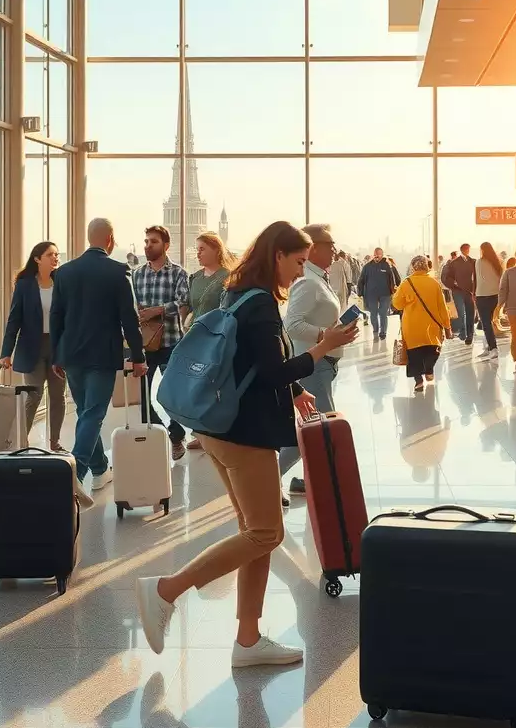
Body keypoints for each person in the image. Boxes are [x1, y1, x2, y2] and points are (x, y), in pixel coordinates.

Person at [135, 221, 358, 669]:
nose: (299, 272)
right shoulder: (260, 306)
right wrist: (323, 347)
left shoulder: (236, 292)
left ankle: (248, 639)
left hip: (217, 428)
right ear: (278, 255)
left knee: (257, 536)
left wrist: (297, 394)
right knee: (265, 533)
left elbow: (250, 363)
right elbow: (274, 369)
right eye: (297, 262)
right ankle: (166, 590)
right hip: (245, 435)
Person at [50, 218, 148, 491]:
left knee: (85, 412)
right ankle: (76, 473)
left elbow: (55, 317)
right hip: (102, 355)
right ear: (110, 239)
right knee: (93, 414)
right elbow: (129, 319)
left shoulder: (65, 272)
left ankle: (100, 470)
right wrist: (139, 357)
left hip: (71, 354)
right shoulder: (118, 271)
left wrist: (57, 355)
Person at [283, 223, 351, 497]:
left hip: (325, 362)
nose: (335, 250)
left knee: (315, 425)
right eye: (329, 245)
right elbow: (292, 324)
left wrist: (336, 333)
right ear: (312, 248)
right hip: (314, 363)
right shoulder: (308, 282)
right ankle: (274, 479)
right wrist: (326, 335)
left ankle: (312, 479)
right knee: (319, 426)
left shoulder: (319, 278)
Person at [0, 240, 67, 451]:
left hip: (57, 348)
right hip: (32, 348)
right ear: (37, 259)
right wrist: (6, 353)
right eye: (50, 255)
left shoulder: (61, 282)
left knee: (57, 397)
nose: (55, 258)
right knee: (34, 396)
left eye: (56, 254)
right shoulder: (25, 284)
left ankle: (55, 442)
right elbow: (14, 320)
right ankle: (20, 442)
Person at [132, 225, 191, 461]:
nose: (148, 245)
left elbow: (184, 302)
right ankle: (163, 436)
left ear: (166, 245)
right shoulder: (137, 274)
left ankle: (177, 436)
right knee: (142, 398)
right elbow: (131, 305)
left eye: (153, 241)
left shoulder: (178, 273)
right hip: (145, 345)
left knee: (171, 394)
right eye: (146, 241)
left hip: (171, 342)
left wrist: (157, 311)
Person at [186, 231, 237, 452]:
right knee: (197, 385)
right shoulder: (195, 278)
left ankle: (217, 429)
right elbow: (188, 305)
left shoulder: (227, 277)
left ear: (216, 250)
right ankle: (200, 431)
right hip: (194, 337)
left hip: (216, 338)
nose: (198, 254)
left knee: (215, 384)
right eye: (197, 249)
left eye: (202, 249)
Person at [392, 255, 452, 391]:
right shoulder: (434, 283)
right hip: (432, 326)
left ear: (413, 267)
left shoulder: (406, 283)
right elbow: (443, 307)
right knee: (431, 350)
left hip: (411, 327)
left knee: (414, 354)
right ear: (427, 266)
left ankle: (418, 381)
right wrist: (447, 326)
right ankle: (429, 369)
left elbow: (397, 305)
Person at [358, 247, 397, 340]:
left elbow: (393, 279)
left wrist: (393, 290)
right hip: (371, 294)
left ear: (382, 255)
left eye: (378, 255)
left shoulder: (387, 266)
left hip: (385, 294)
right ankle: (375, 329)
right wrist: (360, 292)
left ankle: (383, 332)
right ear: (373, 254)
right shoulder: (367, 267)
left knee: (383, 313)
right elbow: (361, 280)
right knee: (373, 313)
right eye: (375, 254)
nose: (376, 256)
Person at [475, 241, 504, 361]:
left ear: (482, 250)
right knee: (489, 322)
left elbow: (479, 278)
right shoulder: (497, 263)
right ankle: (488, 348)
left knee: (485, 323)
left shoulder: (479, 262)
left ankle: (493, 348)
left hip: (482, 295)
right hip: (495, 296)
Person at [447, 243, 477, 345]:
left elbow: (476, 278)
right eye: (465, 249)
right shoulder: (454, 263)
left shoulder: (473, 262)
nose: (467, 251)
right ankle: (464, 333)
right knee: (461, 313)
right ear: (461, 250)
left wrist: (475, 290)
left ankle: (470, 335)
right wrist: (454, 285)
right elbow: (448, 277)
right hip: (458, 291)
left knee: (470, 313)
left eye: (468, 249)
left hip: (469, 291)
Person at [330, 249, 353, 314]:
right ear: (344, 256)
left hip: (332, 287)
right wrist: (349, 288)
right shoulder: (345, 264)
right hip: (342, 287)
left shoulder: (332, 264)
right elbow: (348, 278)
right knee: (342, 305)